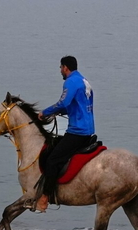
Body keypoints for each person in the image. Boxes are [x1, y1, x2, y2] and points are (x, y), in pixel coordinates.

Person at [33, 55, 95, 212]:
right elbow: (74, 106)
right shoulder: (84, 81)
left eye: (61, 68)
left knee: (53, 159)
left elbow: (64, 102)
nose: (60, 71)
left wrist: (44, 112)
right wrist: (56, 112)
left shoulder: (70, 82)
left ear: (65, 68)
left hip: (77, 132)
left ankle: (45, 196)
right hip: (88, 130)